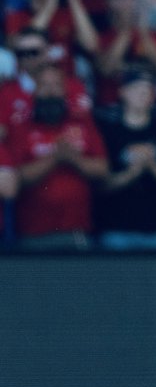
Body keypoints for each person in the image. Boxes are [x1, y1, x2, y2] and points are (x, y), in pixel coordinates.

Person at [11, 64, 108, 251]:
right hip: (33, 234)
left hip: (77, 232)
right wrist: (55, 157)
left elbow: (103, 169)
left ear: (65, 90)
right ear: (34, 90)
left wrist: (74, 159)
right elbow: (18, 178)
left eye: (56, 85)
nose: (51, 92)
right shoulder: (21, 127)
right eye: (45, 85)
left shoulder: (82, 124)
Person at [94, 65, 156, 251]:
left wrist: (150, 165)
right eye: (136, 88)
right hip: (116, 228)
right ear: (122, 92)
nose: (143, 93)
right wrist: (132, 173)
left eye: (147, 89)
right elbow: (101, 184)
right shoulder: (108, 131)